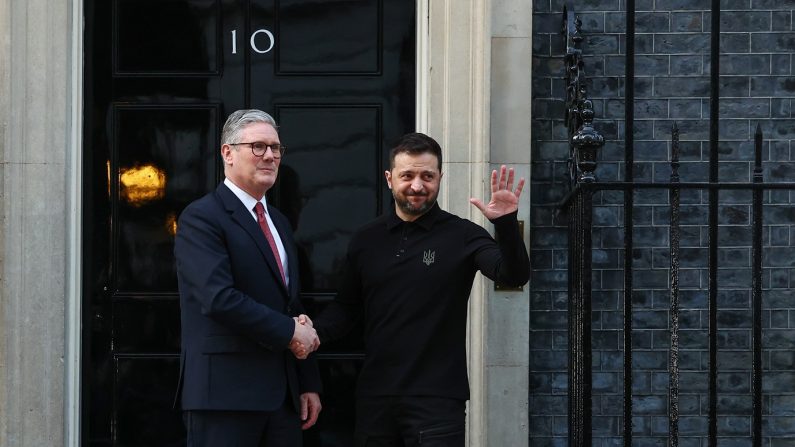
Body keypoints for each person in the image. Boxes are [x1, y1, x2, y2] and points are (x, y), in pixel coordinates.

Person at [307, 132, 530, 446]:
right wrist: (310, 332)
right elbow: (346, 308)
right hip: (375, 397)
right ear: (389, 178)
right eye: (407, 175)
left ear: (440, 177)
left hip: (437, 401)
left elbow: (513, 274)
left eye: (427, 176)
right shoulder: (366, 239)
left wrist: (506, 224)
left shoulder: (464, 235)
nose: (417, 185)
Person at [174, 109, 322, 446]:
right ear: (227, 152)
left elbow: (290, 304)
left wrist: (306, 381)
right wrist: (290, 332)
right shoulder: (202, 217)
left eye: (275, 148)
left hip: (282, 399)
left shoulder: (280, 222)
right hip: (224, 398)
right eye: (257, 146)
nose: (270, 155)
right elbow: (218, 298)